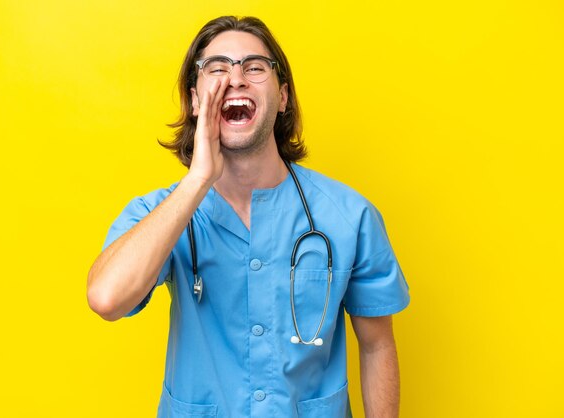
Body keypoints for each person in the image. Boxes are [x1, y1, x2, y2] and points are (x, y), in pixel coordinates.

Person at [87, 15, 410, 418]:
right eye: (217, 68)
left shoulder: (349, 216)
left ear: (284, 96)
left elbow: (377, 344)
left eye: (255, 67)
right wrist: (199, 180)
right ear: (194, 101)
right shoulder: (162, 213)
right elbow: (106, 299)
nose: (235, 79)